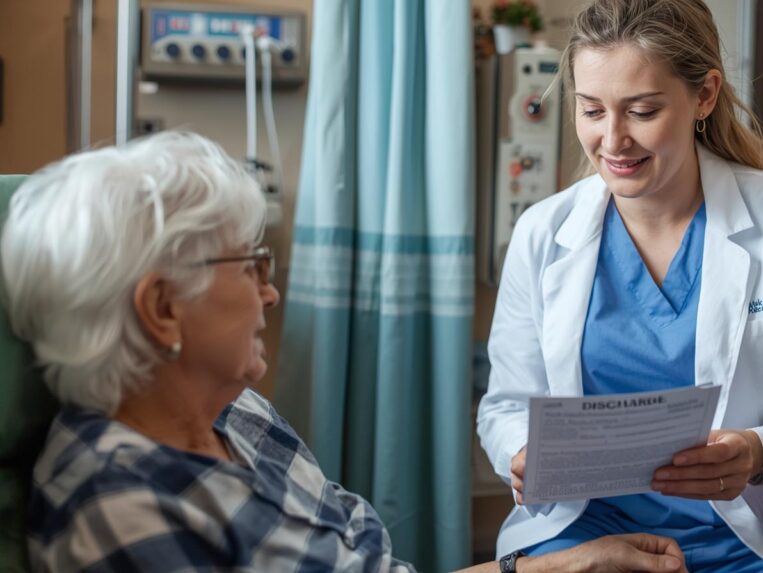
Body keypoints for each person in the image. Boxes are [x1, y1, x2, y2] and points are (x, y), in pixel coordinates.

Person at [1, 132, 689, 572]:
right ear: (161, 308)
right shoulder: (121, 504)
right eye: (252, 268)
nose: (271, 295)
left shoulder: (239, 417)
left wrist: (557, 567)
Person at [476, 0, 763, 571]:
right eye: (591, 110)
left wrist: (758, 451)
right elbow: (504, 405)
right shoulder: (542, 233)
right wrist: (520, 454)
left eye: (642, 111)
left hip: (759, 529)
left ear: (705, 94)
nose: (613, 140)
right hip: (587, 527)